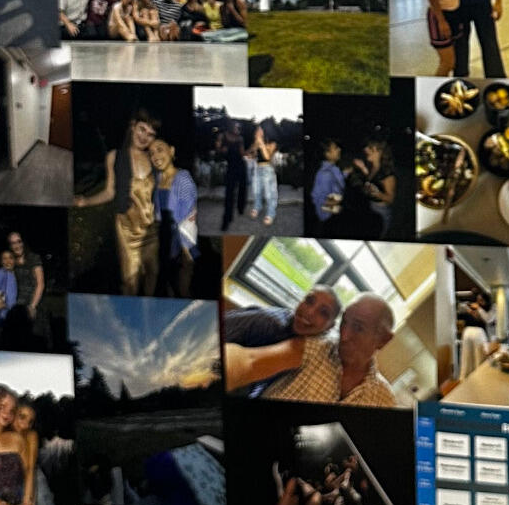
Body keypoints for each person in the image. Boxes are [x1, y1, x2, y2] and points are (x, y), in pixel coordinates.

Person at [234, 295, 401, 408]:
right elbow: (249, 361)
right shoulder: (317, 344)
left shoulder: (385, 400)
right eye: (344, 322)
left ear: (383, 340)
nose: (344, 336)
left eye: (358, 328)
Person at [106, 111, 161, 296]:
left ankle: (149, 306)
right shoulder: (116, 156)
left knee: (153, 271)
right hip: (127, 227)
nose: (145, 136)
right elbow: (109, 192)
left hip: (150, 228)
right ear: (132, 126)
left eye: (151, 134)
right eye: (142, 129)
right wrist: (83, 201)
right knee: (130, 279)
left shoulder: (155, 160)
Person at [151, 134, 199, 295]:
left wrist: (186, 250)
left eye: (159, 150)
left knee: (182, 288)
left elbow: (189, 217)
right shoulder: (158, 178)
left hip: (181, 242)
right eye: (151, 153)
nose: (155, 156)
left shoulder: (182, 178)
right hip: (163, 238)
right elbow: (157, 212)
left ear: (171, 151)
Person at [5, 229, 45, 345]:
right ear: (10, 245)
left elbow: (40, 283)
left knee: (33, 342)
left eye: (18, 241)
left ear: (23, 242)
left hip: (33, 304)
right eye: (13, 243)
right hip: (16, 307)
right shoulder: (10, 261)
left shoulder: (33, 258)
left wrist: (32, 307)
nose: (17, 245)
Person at [219, 121, 250, 231]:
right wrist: (223, 149)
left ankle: (240, 208)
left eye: (239, 127)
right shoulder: (223, 136)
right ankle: (227, 220)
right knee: (229, 194)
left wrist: (250, 152)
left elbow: (242, 153)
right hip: (231, 167)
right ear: (231, 127)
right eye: (237, 127)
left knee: (242, 188)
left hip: (241, 166)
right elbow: (218, 148)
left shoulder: (240, 138)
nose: (238, 129)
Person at [308, 138, 347, 226]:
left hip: (335, 211)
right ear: (327, 154)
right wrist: (339, 202)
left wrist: (345, 173)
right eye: (336, 148)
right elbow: (316, 198)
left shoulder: (333, 168)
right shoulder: (325, 174)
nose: (339, 149)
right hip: (329, 217)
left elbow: (336, 182)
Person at [251, 117, 280, 226]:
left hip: (268, 169)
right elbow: (253, 154)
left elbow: (267, 157)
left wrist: (261, 143)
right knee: (256, 191)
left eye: (260, 129)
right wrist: (255, 144)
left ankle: (271, 213)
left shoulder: (272, 143)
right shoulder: (258, 141)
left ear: (266, 130)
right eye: (257, 129)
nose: (258, 131)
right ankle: (257, 206)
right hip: (257, 168)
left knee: (269, 194)